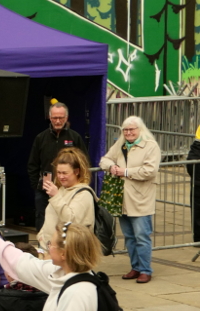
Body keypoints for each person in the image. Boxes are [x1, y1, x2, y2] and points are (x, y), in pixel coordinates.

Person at [100, 116, 161, 283]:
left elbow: (150, 171)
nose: (128, 133)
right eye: (125, 130)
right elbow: (104, 159)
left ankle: (145, 270)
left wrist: (125, 172)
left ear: (139, 130)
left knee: (142, 236)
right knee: (129, 236)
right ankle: (135, 267)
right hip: (122, 200)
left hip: (141, 199)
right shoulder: (120, 145)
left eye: (131, 129)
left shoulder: (150, 146)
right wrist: (111, 166)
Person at [27, 101, 86, 231]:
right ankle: (42, 248)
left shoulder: (75, 137)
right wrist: (37, 186)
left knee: (65, 219)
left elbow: (84, 164)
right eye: (55, 118)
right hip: (44, 190)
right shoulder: (40, 138)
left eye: (61, 118)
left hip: (69, 189)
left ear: (66, 118)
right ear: (50, 118)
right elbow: (32, 164)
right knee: (42, 219)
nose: (58, 121)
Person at [37, 147, 96, 256]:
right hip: (49, 250)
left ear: (77, 171)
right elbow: (51, 217)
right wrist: (41, 237)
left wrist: (55, 196)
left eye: (65, 173)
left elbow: (71, 221)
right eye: (58, 172)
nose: (60, 176)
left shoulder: (84, 194)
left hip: (69, 254)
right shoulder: (61, 190)